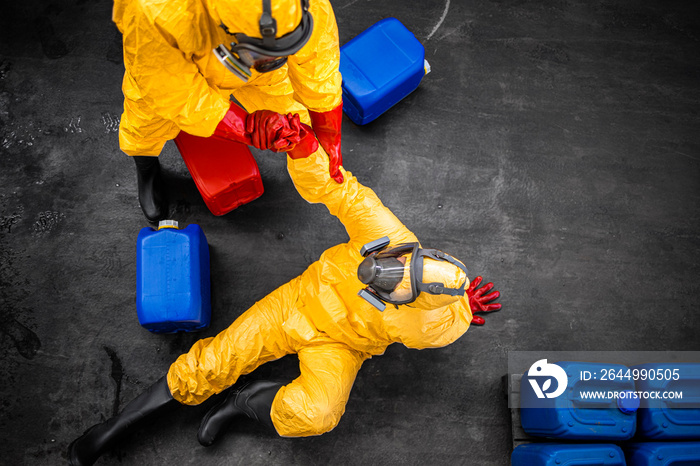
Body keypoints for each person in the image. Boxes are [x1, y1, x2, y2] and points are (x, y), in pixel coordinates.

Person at [68, 142, 502, 465]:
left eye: (391, 284)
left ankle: (245, 403)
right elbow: (341, 189)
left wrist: (461, 312)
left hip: (341, 347)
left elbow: (444, 323)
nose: (381, 268)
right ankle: (112, 430)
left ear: (413, 302)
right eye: (393, 260)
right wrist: (305, 149)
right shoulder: (386, 233)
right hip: (297, 303)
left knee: (320, 414)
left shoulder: (431, 327)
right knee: (215, 362)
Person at [113, 0, 346, 221]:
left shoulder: (291, 7)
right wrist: (246, 128)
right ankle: (146, 166)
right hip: (173, 70)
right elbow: (173, 93)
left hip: (247, 61)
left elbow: (317, 56)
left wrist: (328, 127)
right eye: (261, 55)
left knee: (293, 113)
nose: (272, 60)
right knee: (146, 123)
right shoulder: (154, 11)